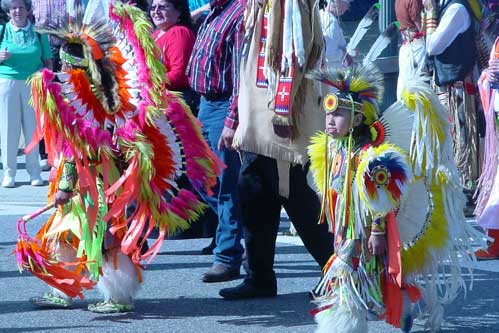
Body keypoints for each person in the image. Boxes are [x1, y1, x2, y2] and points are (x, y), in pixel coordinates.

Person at [17, 2, 221, 313]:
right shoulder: (84, 94)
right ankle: (63, 287)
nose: (62, 67)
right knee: (68, 231)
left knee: (109, 235)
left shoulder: (92, 99)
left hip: (104, 182)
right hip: (88, 181)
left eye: (69, 62)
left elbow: (82, 145)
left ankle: (118, 295)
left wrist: (67, 183)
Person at [306, 63, 481, 333]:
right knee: (367, 275)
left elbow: (383, 198)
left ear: (356, 119)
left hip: (364, 234)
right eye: (328, 114)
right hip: (346, 231)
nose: (330, 120)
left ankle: (347, 324)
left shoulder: (371, 156)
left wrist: (377, 231)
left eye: (338, 114)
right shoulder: (333, 150)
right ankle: (398, 306)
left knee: (354, 276)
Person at [218, 0, 335, 300]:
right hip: (257, 120)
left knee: (298, 199)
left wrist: (283, 109)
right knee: (255, 197)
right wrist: (234, 119)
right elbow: (246, 64)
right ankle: (259, 278)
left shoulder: (288, 4)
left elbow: (293, 53)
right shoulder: (259, 5)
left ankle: (338, 273)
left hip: (279, 118)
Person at [186, 0, 245, 283]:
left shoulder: (239, 14)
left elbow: (240, 78)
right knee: (199, 176)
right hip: (205, 104)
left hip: (223, 106)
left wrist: (232, 122)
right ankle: (231, 233)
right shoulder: (216, 11)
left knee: (224, 185)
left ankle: (227, 255)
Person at [424, 0, 480, 213]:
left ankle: (465, 194)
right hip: (450, 89)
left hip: (457, 91)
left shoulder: (456, 9)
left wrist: (429, 15)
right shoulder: (449, 8)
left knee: (461, 142)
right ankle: (458, 194)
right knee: (452, 142)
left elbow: (433, 46)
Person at [0, 0, 52, 188]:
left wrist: (46, 78)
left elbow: (48, 62)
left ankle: (35, 172)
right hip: (7, 82)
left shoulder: (39, 33)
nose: (17, 11)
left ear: (28, 10)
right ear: (8, 11)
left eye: (21, 7)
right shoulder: (2, 31)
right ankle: (9, 173)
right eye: (13, 8)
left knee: (33, 128)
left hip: (33, 83)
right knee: (8, 129)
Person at [151, 0, 197, 111]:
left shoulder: (179, 32)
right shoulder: (156, 35)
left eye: (162, 7)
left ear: (179, 11)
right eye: (153, 8)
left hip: (175, 102)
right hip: (158, 96)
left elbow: (179, 74)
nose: (156, 12)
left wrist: (150, 84)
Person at [395, 0, 426, 99]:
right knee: (419, 85)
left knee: (405, 84)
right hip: (416, 46)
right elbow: (420, 26)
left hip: (406, 46)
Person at [319, 0, 352, 69]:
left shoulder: (320, 15)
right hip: (333, 74)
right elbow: (330, 54)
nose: (348, 8)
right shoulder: (331, 22)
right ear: (337, 2)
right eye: (347, 3)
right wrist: (346, 53)